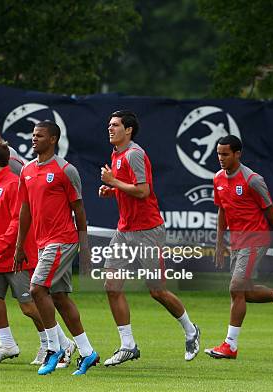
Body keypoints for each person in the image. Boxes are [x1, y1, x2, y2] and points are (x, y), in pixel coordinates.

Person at [99, 110, 201, 365]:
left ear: (129, 130)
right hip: (124, 231)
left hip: (147, 232)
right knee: (111, 286)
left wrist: (113, 181)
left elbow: (143, 192)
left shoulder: (134, 154)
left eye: (115, 125)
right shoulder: (117, 153)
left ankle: (191, 330)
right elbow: (130, 189)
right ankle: (128, 345)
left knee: (157, 291)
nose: (110, 129)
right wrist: (113, 190)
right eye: (109, 125)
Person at [0, 117, 72, 366]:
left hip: (18, 247)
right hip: (1, 247)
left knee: (30, 303)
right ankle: (3, 345)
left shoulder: (13, 167)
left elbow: (22, 211)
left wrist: (11, 245)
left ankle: (60, 345)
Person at [204, 135, 273, 359]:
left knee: (235, 288)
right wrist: (220, 240)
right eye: (218, 153)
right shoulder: (218, 178)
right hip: (236, 242)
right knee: (243, 292)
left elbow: (270, 210)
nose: (220, 158)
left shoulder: (252, 179)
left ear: (237, 154)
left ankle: (230, 345)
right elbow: (222, 210)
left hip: (255, 239)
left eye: (225, 154)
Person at [15, 120, 99, 376]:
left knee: (37, 289)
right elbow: (25, 210)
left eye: (39, 136)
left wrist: (85, 248)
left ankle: (54, 348)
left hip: (62, 240)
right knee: (60, 297)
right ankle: (87, 353)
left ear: (52, 139)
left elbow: (79, 209)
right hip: (42, 243)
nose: (34, 139)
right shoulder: (27, 170)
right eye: (33, 135)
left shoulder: (66, 170)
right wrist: (20, 246)